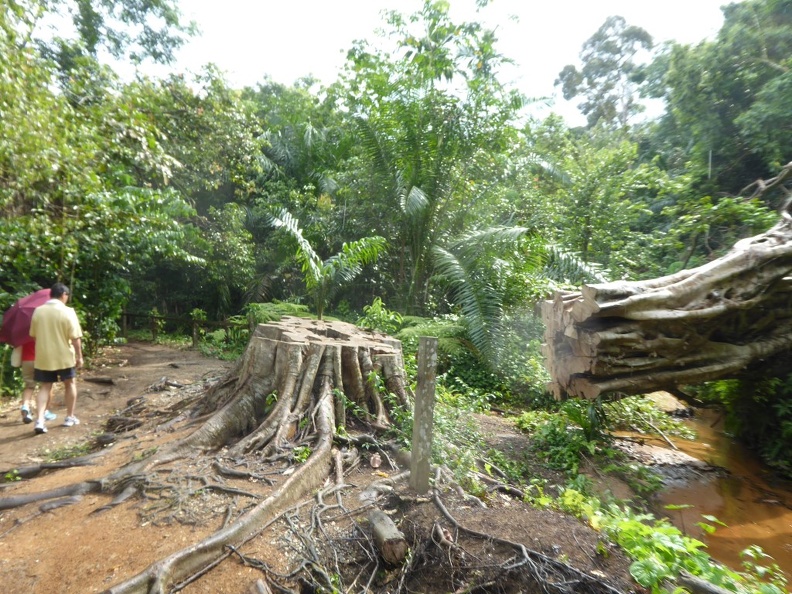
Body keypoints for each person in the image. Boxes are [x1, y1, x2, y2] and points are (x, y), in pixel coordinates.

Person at [29, 283, 83, 434]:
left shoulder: (38, 311)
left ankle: (40, 420)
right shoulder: (68, 312)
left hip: (44, 356)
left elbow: (33, 335)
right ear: (63, 295)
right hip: (64, 355)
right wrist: (80, 356)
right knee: (70, 384)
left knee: (45, 386)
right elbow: (75, 338)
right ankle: (69, 417)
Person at [19, 340, 56, 424]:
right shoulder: (41, 329)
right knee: (47, 386)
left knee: (29, 386)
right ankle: (45, 411)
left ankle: (25, 406)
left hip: (26, 360)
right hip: (41, 359)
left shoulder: (22, 331)